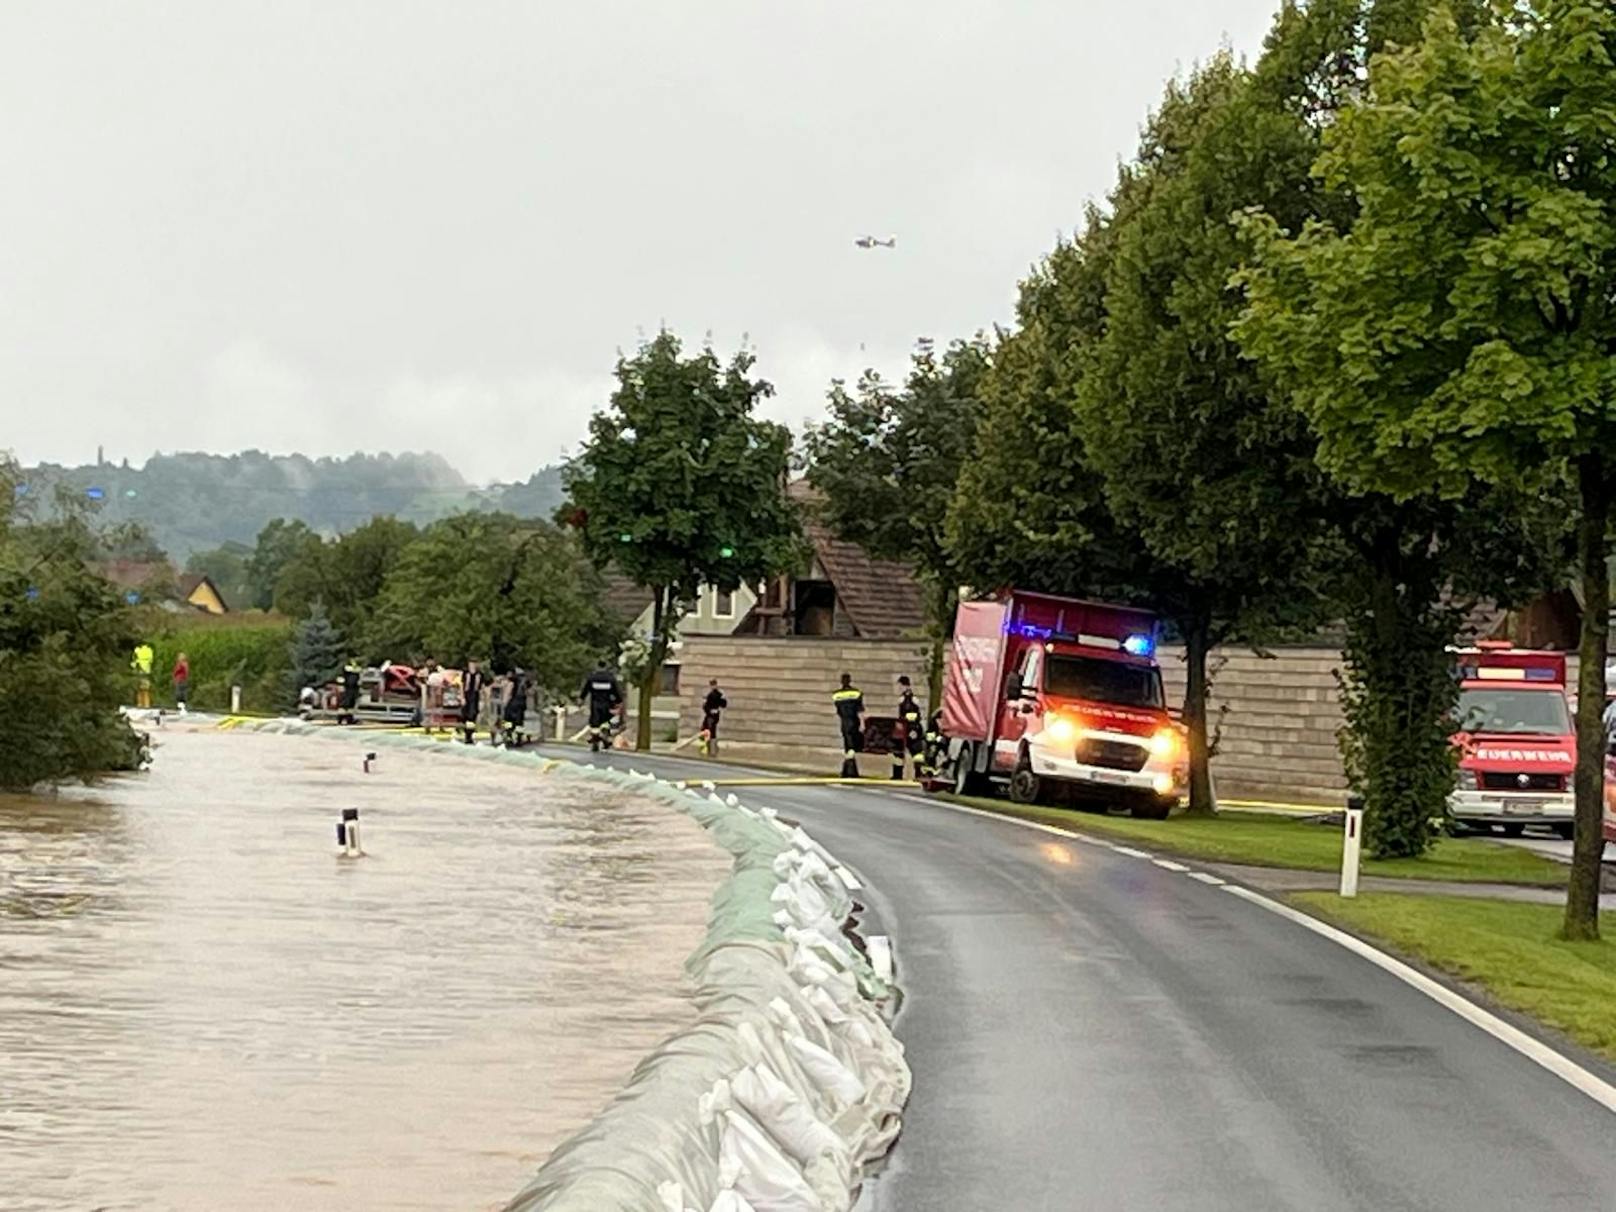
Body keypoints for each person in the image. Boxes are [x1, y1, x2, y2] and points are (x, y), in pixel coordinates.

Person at [580, 664, 624, 752]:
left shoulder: (592, 678)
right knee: (606, 722)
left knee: (595, 723)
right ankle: (605, 738)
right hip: (607, 704)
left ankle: (595, 740)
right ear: (605, 667)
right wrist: (619, 701)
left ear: (597, 667)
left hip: (595, 704)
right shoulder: (610, 678)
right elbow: (616, 691)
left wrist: (581, 699)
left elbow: (585, 690)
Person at [832, 672, 865, 778]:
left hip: (844, 723)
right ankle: (850, 770)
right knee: (852, 746)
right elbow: (860, 710)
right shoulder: (856, 693)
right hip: (854, 721)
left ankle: (848, 770)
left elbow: (838, 710)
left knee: (848, 745)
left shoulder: (836, 695)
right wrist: (863, 724)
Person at [892, 676, 924, 780]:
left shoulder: (910, 700)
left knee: (915, 752)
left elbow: (915, 716)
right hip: (906, 729)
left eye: (900, 686)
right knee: (899, 752)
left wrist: (913, 729)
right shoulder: (904, 699)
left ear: (904, 686)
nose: (898, 688)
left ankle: (916, 774)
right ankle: (898, 774)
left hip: (911, 729)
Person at [500, 667, 530, 747]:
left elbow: (509, 690)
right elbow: (528, 692)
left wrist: (505, 702)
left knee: (508, 721)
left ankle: (509, 737)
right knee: (519, 723)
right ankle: (519, 740)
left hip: (512, 703)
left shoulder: (513, 680)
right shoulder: (525, 681)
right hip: (521, 704)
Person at [698, 679, 728, 758]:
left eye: (713, 685)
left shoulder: (715, 695)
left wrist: (709, 710)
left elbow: (722, 705)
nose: (712, 686)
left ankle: (709, 749)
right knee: (709, 731)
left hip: (711, 715)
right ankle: (710, 749)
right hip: (711, 715)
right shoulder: (716, 694)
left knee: (708, 731)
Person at [460, 658, 486, 745]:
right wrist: (462, 697)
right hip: (467, 695)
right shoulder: (465, 673)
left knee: (473, 715)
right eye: (471, 663)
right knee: (465, 716)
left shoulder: (480, 674)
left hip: (475, 696)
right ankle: (466, 734)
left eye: (474, 663)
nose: (473, 665)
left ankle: (469, 736)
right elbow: (462, 686)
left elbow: (482, 688)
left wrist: (482, 700)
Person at [131, 642, 154, 709]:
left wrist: (133, 667)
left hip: (139, 670)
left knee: (139, 689)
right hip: (147, 671)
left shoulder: (137, 650)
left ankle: (140, 703)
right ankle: (147, 704)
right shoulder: (149, 650)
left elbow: (134, 660)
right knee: (146, 690)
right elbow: (151, 660)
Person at [339, 659, 362, 725]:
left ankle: (349, 719)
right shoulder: (347, 668)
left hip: (354, 688)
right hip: (347, 687)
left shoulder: (356, 669)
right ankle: (342, 718)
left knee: (351, 704)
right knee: (345, 704)